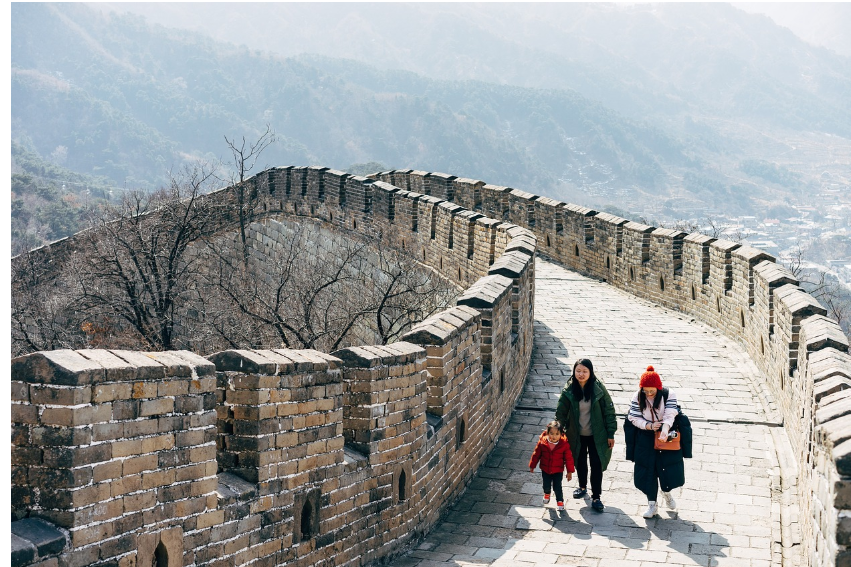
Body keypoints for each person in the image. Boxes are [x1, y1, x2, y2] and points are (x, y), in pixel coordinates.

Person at [625, 365, 689, 518]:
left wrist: (665, 430)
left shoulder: (669, 394)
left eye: (652, 391)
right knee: (648, 470)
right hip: (645, 436)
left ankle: (666, 493)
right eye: (645, 391)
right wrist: (648, 426)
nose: (648, 394)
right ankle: (652, 504)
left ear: (658, 388)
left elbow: (671, 413)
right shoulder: (637, 396)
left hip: (667, 433)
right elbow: (633, 417)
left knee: (667, 467)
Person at [555, 358, 617, 512]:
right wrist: (558, 430)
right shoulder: (569, 390)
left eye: (584, 371)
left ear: (590, 372)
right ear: (574, 372)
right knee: (579, 461)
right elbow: (561, 413)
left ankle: (596, 497)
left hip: (597, 435)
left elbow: (609, 412)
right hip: (576, 434)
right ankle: (582, 486)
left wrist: (611, 433)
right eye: (578, 371)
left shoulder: (598, 389)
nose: (581, 374)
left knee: (596, 464)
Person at [529, 420, 575, 511]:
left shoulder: (564, 445)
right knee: (546, 484)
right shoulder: (543, 443)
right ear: (547, 433)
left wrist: (569, 471)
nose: (554, 436)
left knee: (557, 486)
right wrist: (532, 465)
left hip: (558, 470)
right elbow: (536, 454)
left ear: (561, 434)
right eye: (552, 433)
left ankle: (560, 501)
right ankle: (547, 493)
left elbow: (569, 459)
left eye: (557, 434)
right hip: (545, 469)